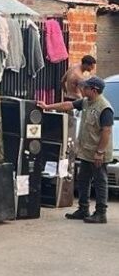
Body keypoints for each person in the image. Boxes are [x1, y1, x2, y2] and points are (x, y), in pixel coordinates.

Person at [39, 76, 113, 224]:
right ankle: (83, 209)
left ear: (94, 90)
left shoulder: (104, 108)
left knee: (100, 182)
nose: (82, 89)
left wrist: (99, 153)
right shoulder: (86, 102)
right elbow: (68, 105)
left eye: (85, 88)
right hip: (85, 151)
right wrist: (47, 107)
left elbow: (107, 132)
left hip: (98, 153)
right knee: (83, 180)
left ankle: (100, 213)